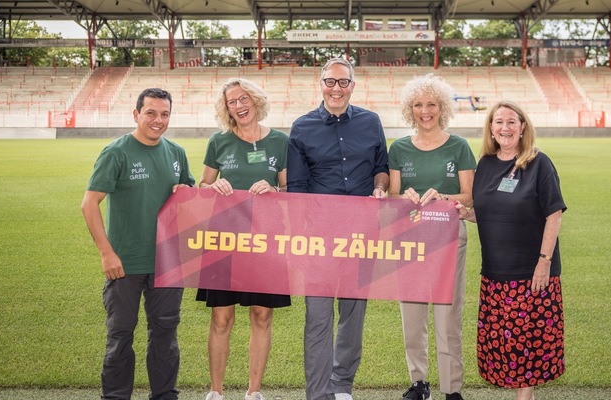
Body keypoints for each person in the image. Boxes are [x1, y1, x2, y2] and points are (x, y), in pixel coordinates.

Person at [81, 87, 196, 400]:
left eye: (164, 114)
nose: (158, 120)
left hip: (168, 264)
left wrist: (183, 190)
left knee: (165, 335)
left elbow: (188, 192)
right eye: (151, 113)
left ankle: (165, 395)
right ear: (136, 114)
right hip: (125, 264)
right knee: (120, 336)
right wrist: (107, 254)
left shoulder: (176, 152)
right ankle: (116, 396)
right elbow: (89, 204)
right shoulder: (116, 152)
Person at [287, 57, 390, 400]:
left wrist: (380, 186)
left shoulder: (371, 122)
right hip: (319, 238)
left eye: (343, 82)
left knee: (352, 315)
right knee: (318, 317)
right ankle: (317, 393)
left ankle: (342, 385)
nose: (336, 89)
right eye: (330, 82)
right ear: (321, 84)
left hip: (362, 235)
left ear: (353, 86)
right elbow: (297, 189)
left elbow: (381, 166)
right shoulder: (301, 127)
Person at [458, 101, 566, 400]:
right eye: (498, 122)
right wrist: (467, 214)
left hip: (530, 271)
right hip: (495, 272)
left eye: (511, 122)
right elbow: (488, 211)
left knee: (528, 341)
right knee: (506, 344)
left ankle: (524, 397)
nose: (504, 128)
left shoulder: (538, 163)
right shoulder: (487, 165)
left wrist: (544, 262)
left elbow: (554, 214)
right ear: (490, 128)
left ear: (522, 127)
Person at [197, 78, 292, 400]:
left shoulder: (281, 141)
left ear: (255, 100)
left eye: (242, 98)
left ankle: (254, 392)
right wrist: (213, 187)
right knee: (222, 317)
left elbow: (291, 192)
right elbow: (201, 188)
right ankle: (216, 391)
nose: (238, 106)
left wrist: (274, 190)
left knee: (262, 314)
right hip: (223, 239)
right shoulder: (219, 142)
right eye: (231, 102)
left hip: (266, 240)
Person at [388, 74, 475, 400]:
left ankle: (452, 388)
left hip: (449, 237)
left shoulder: (459, 146)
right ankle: (419, 382)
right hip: (409, 238)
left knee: (447, 315)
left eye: (431, 104)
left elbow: (469, 195)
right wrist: (404, 197)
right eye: (418, 105)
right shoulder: (398, 148)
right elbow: (393, 196)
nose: (425, 111)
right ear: (410, 109)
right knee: (412, 315)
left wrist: (445, 196)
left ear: (442, 108)